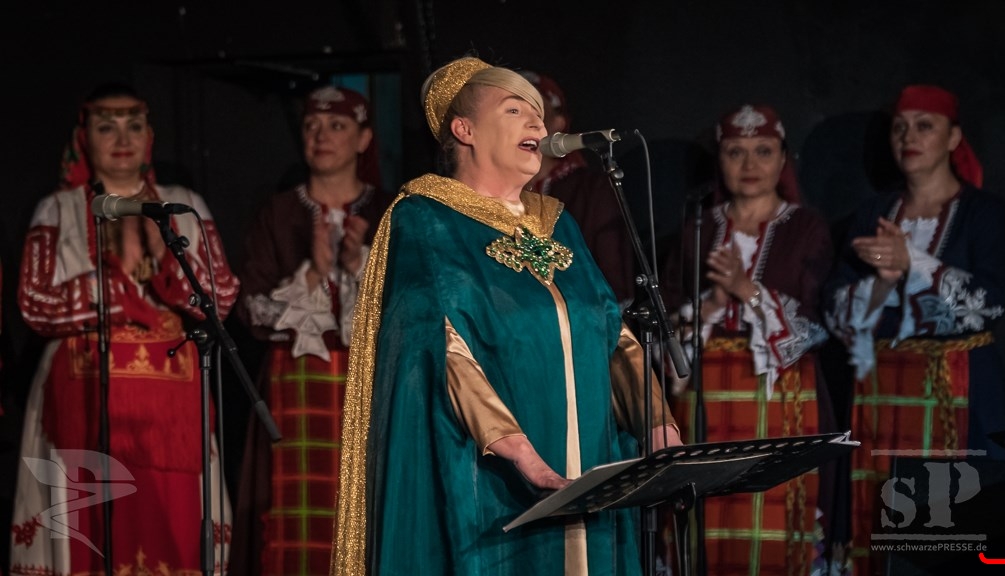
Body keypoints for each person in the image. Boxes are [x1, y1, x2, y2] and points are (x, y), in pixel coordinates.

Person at [328, 56, 681, 576]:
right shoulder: (425, 219)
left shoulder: (557, 224)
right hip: (496, 479)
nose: (538, 122)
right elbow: (439, 345)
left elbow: (610, 329)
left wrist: (657, 426)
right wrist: (521, 454)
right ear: (464, 130)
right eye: (515, 109)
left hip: (591, 466)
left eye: (538, 112)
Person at [9, 83, 239, 575]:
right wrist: (112, 287)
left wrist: (165, 265)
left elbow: (221, 297)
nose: (122, 139)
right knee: (91, 536)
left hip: (172, 409)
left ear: (149, 137)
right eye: (106, 127)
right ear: (84, 138)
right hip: (86, 400)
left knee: (171, 535)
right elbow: (34, 303)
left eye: (134, 126)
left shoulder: (182, 205)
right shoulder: (59, 209)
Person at [824, 84, 1005, 575]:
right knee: (879, 516)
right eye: (899, 127)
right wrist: (883, 282)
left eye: (924, 125)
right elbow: (837, 312)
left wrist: (915, 262)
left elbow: (989, 305)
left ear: (953, 138)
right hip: (881, 391)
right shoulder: (873, 214)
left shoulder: (984, 214)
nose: (908, 136)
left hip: (959, 390)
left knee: (954, 518)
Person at [659, 104, 840, 575]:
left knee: (773, 509)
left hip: (780, 393)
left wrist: (748, 290)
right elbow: (666, 320)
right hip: (706, 393)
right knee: (708, 506)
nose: (749, 164)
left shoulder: (805, 228)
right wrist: (713, 305)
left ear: (783, 159)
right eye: (735, 152)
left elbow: (820, 320)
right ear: (720, 160)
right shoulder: (699, 228)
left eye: (763, 151)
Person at [231, 85, 392, 575]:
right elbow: (251, 309)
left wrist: (360, 266)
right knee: (297, 510)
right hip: (297, 384)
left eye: (337, 126)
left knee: (371, 505)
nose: (322, 136)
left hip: (371, 381)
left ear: (364, 138)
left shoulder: (390, 211)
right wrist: (313, 274)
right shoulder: (278, 212)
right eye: (311, 126)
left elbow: (414, 307)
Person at [520, 70, 637, 308]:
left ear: (558, 124)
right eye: (513, 113)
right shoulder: (491, 191)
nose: (523, 124)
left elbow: (613, 281)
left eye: (534, 112)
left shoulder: (590, 190)